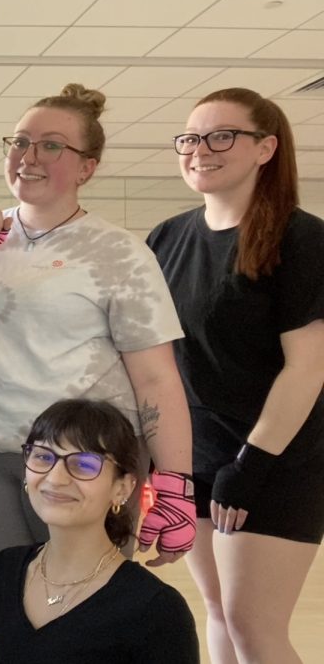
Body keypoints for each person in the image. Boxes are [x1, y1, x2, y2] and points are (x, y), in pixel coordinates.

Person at [0, 84, 195, 649]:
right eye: (20, 141)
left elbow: (156, 378)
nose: (29, 155)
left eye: (51, 146)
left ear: (88, 166)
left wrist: (176, 483)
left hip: (87, 459)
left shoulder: (119, 254)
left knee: (90, 627)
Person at [146, 87, 324, 664]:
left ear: (266, 147)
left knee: (254, 626)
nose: (201, 149)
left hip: (276, 460)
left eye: (222, 136)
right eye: (191, 138)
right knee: (219, 612)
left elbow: (308, 367)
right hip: (196, 453)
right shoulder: (167, 239)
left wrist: (251, 466)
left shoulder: (302, 240)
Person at [0, 399, 198, 663]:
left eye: (84, 464)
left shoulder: (156, 609)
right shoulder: (5, 569)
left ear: (123, 488)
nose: (56, 478)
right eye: (42, 457)